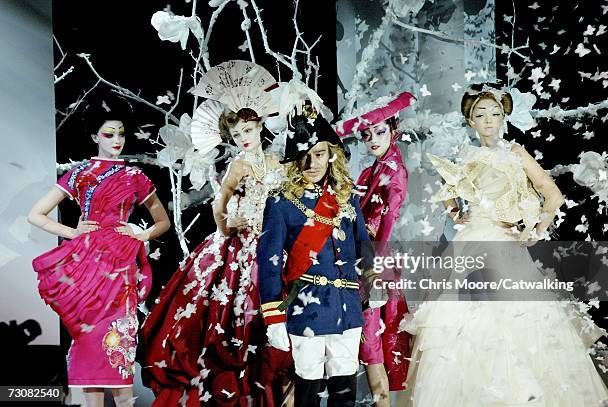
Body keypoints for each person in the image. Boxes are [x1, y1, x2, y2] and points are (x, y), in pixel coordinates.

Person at [405, 83, 608, 406]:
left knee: (516, 321)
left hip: (503, 244)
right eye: (480, 114)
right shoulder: (465, 154)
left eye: (495, 113)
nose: (488, 120)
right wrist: (458, 212)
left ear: (504, 117)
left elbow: (552, 194)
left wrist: (536, 229)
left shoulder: (515, 153)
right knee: (462, 326)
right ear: (471, 121)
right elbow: (451, 191)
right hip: (471, 242)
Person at [139, 61, 293, 406]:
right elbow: (218, 204)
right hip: (241, 246)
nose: (244, 139)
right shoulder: (238, 164)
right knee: (232, 314)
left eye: (248, 131)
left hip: (272, 243)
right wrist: (229, 225)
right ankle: (237, 379)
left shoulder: (278, 163)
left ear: (259, 126)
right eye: (237, 135)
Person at [28, 99, 171, 407]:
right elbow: (36, 214)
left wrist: (140, 234)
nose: (117, 140)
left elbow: (163, 222)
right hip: (87, 264)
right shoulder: (80, 173)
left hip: (121, 268)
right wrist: (73, 232)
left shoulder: (136, 177)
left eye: (121, 134)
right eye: (109, 134)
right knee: (89, 342)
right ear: (95, 137)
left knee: (119, 345)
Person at [258, 102, 375, 407]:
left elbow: (363, 245)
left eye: (319, 154)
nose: (312, 163)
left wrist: (374, 284)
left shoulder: (346, 198)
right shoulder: (281, 202)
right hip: (305, 308)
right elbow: (269, 263)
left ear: (331, 154)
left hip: (347, 308)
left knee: (345, 393)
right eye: (305, 155)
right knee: (308, 394)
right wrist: (274, 318)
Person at [336, 92, 415, 406]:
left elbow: (389, 219)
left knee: (372, 348)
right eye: (366, 134)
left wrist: (373, 267)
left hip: (374, 262)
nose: (371, 139)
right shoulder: (369, 171)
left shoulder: (395, 171)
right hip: (356, 259)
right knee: (364, 347)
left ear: (394, 131)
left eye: (379, 131)